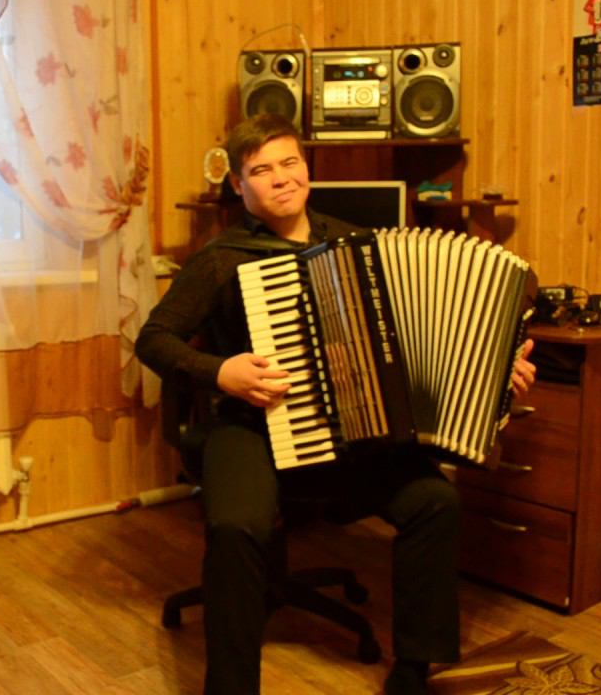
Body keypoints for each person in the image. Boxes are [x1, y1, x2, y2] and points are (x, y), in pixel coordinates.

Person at [134, 113, 536, 695]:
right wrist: (221, 371)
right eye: (261, 170)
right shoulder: (221, 258)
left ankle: (414, 668)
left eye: (290, 162)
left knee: (434, 501)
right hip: (250, 428)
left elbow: (419, 336)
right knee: (236, 526)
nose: (281, 178)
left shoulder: (359, 244)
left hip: (353, 430)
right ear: (239, 187)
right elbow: (153, 339)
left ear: (307, 168)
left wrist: (499, 374)